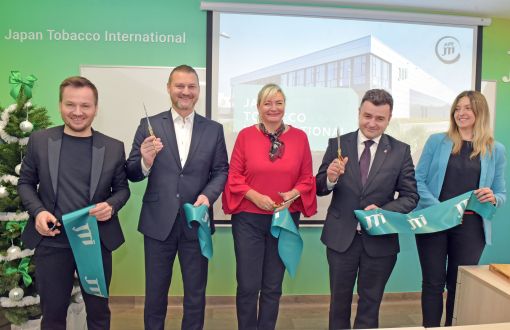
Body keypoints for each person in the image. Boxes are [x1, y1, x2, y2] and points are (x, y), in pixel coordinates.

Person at [17, 76, 130, 330]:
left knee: (99, 315)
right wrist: (38, 212)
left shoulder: (112, 147)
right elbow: (25, 183)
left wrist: (111, 205)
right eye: (71, 105)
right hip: (53, 241)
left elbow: (122, 190)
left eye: (85, 106)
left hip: (95, 242)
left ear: (96, 109)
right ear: (60, 105)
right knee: (54, 316)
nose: (77, 112)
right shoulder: (40, 141)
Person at [126, 65, 228, 330]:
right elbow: (132, 171)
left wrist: (208, 196)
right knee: (155, 294)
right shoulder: (148, 125)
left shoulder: (214, 129)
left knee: (195, 295)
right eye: (180, 86)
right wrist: (146, 161)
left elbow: (220, 171)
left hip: (197, 222)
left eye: (191, 87)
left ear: (198, 91)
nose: (185, 92)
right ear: (169, 88)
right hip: (158, 223)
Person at [316, 89, 419, 329]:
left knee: (370, 305)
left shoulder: (400, 150)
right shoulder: (338, 144)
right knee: (338, 304)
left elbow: (411, 196)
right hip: (341, 239)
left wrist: (383, 211)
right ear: (359, 113)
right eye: (367, 116)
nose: (372, 123)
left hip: (380, 242)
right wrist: (330, 178)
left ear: (389, 118)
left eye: (379, 118)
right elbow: (321, 187)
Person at [222, 83, 317, 330]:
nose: (273, 108)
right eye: (267, 103)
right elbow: (234, 177)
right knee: (247, 285)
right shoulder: (245, 135)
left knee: (273, 286)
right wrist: (255, 196)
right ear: (258, 107)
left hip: (283, 220)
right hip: (248, 220)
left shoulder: (300, 137)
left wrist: (293, 194)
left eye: (278, 102)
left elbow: (307, 178)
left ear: (285, 106)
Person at [414, 90, 506, 327]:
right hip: (435, 221)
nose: (461, 113)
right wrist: (440, 210)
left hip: (472, 227)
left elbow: (501, 193)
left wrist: (493, 197)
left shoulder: (495, 149)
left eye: (467, 108)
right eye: (457, 108)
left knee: (459, 285)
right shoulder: (437, 141)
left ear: (480, 111)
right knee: (433, 283)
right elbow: (418, 179)